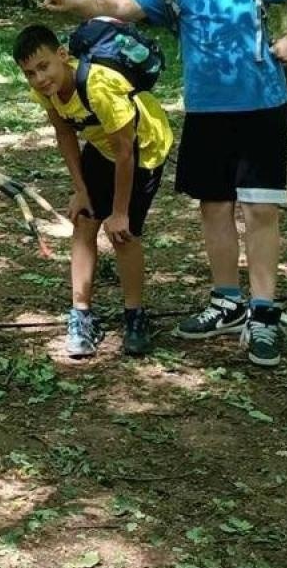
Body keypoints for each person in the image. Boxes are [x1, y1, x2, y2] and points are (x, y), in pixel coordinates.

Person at [42, 0, 287, 366]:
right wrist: (71, 3)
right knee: (214, 207)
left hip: (262, 109)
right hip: (207, 114)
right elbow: (117, 9)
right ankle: (227, 301)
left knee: (259, 210)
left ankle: (263, 314)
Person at [12, 24, 173, 359]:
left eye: (44, 67)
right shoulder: (46, 92)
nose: (40, 78)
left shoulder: (98, 86)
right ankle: (81, 316)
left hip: (144, 149)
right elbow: (65, 136)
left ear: (62, 56)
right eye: (30, 73)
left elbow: (126, 151)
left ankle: (134, 316)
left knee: (122, 234)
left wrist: (119, 212)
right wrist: (81, 190)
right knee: (84, 221)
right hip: (102, 149)